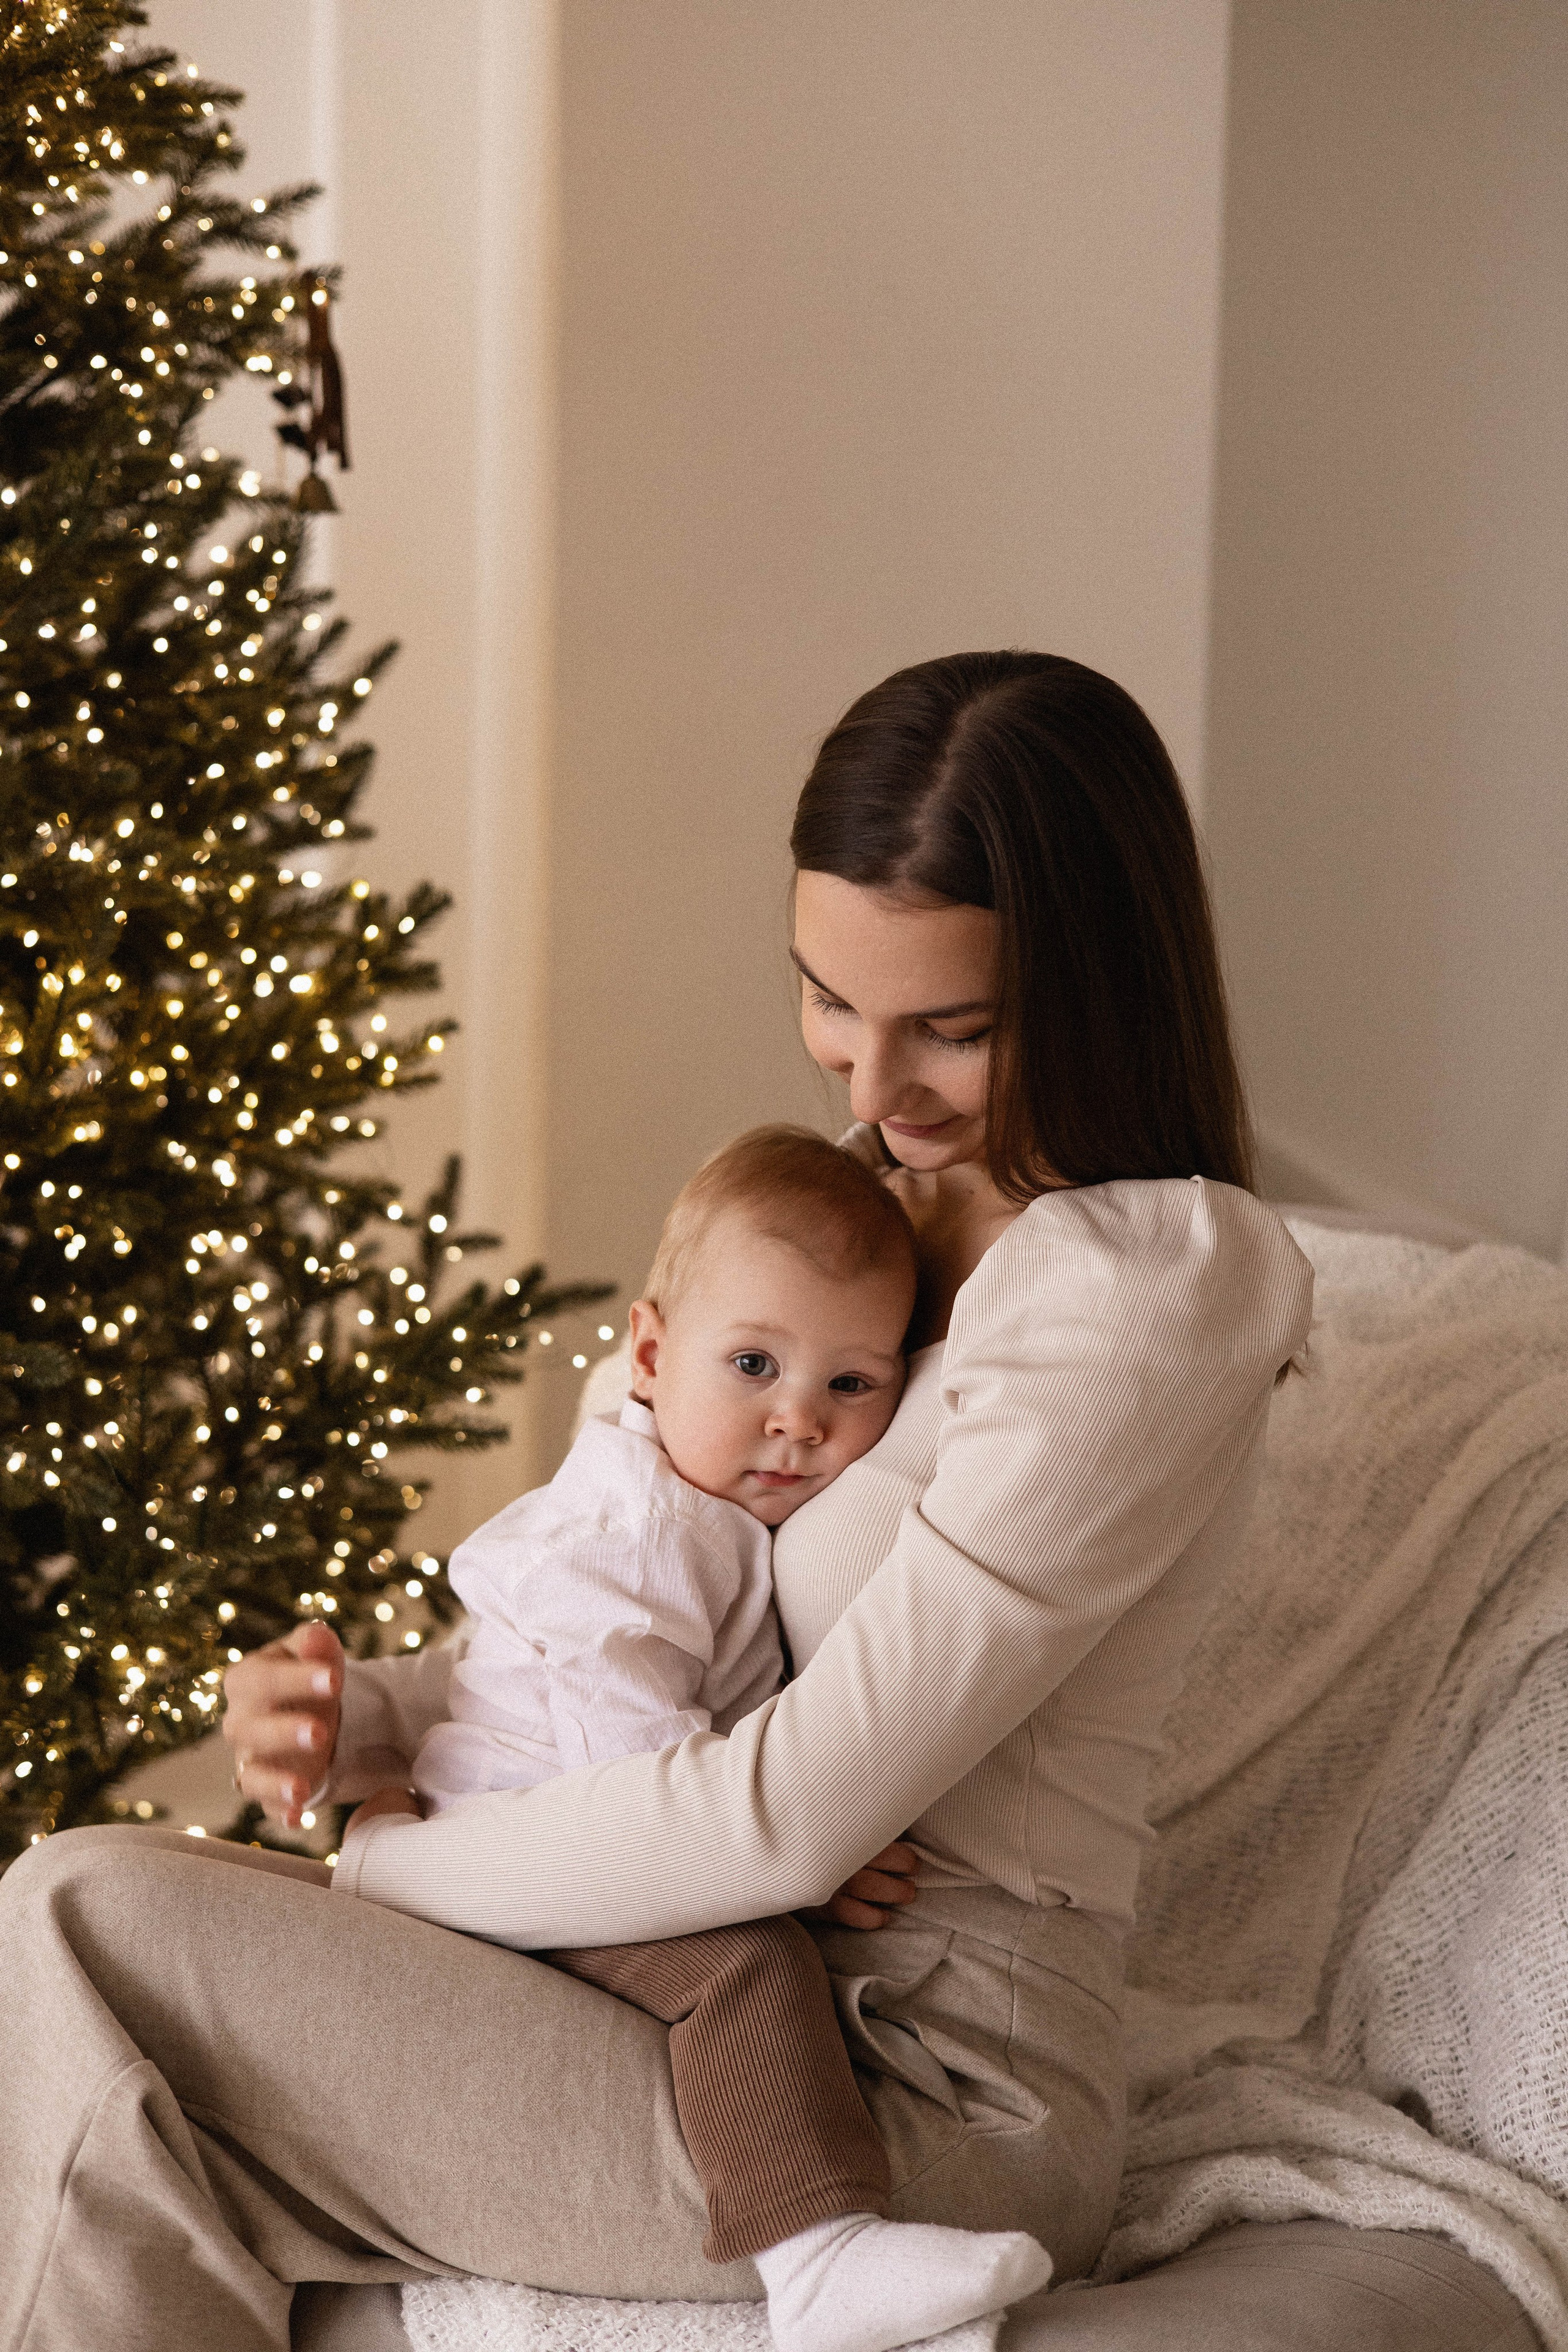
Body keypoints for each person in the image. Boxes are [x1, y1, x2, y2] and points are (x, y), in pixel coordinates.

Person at [0, 650, 1314, 2352]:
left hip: (907, 2090)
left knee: (82, 1917)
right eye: (829, 1000)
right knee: (110, 2094)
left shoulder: (1147, 1288)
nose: (870, 1088)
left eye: (954, 1030)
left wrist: (397, 1866)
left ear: (1097, 989)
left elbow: (788, 1822)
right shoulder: (845, 1211)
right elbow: (620, 1594)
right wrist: (365, 1720)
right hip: (662, 1976)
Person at [378, 1123, 1054, 2352]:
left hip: (573, 1834)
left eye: (850, 1385)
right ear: (647, 1352)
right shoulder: (643, 1534)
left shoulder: (704, 1515)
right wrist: (802, 1853)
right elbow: (635, 1770)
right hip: (520, 1851)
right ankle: (816, 2262)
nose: (797, 1422)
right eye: (752, 1364)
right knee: (744, 1962)